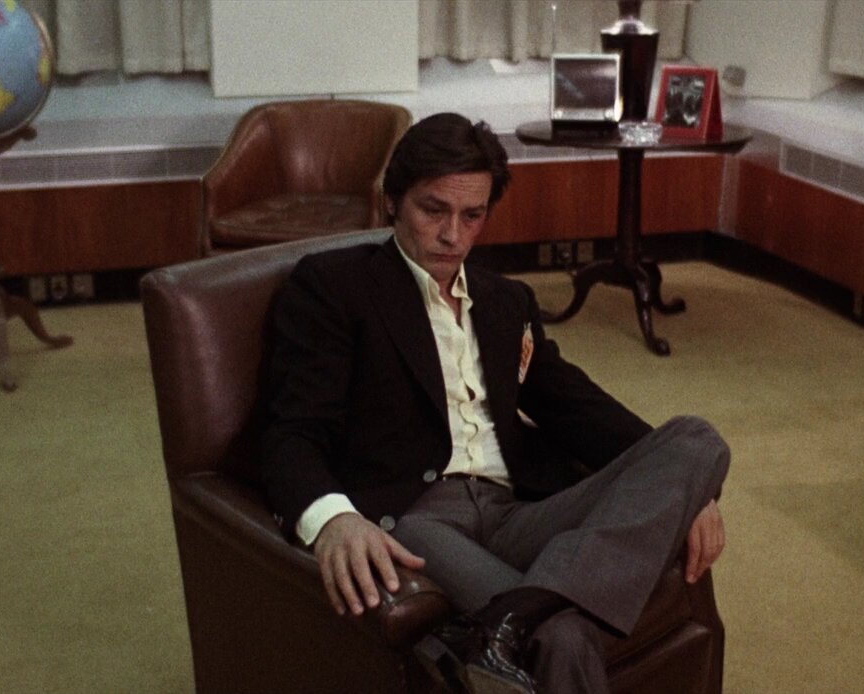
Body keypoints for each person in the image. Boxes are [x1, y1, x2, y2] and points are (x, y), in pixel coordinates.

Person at [255, 112, 729, 694]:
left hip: (515, 510)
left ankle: (511, 618)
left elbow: (573, 404)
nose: (453, 235)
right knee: (562, 636)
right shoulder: (335, 286)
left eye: (472, 215)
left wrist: (689, 487)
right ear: (392, 201)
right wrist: (332, 519)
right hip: (417, 518)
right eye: (434, 210)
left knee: (696, 440)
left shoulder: (506, 301)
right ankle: (534, 617)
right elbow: (292, 430)